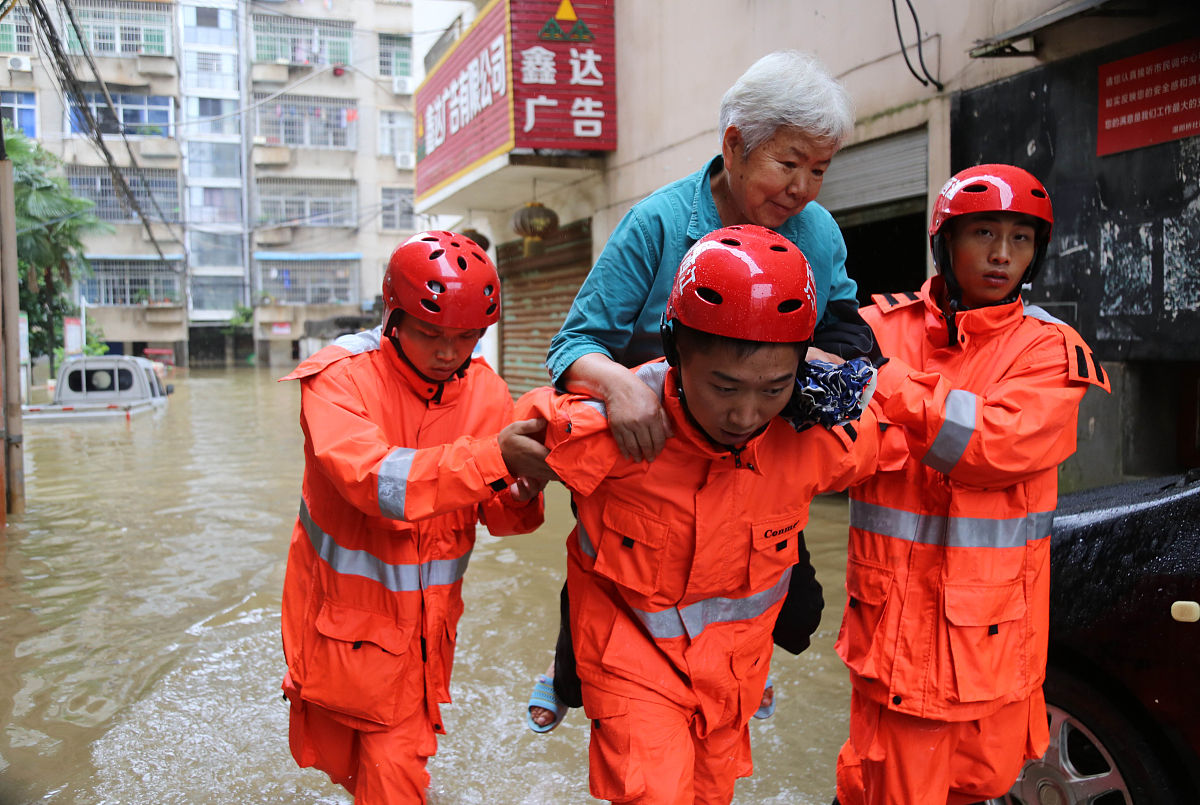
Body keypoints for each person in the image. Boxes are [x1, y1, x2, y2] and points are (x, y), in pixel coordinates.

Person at [528, 48, 874, 730]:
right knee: (610, 586)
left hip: (754, 449)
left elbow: (845, 324)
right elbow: (572, 345)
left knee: (792, 608)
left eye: (819, 170)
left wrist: (835, 376)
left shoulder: (819, 232)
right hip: (647, 450)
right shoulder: (656, 224)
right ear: (735, 145)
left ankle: (737, 668)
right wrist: (621, 389)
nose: (802, 187)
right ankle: (572, 671)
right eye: (788, 163)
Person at [516, 225, 881, 803]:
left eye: (773, 388)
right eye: (725, 386)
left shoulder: (820, 435)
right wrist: (515, 469)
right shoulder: (612, 429)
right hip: (628, 663)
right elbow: (517, 447)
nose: (745, 413)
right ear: (676, 354)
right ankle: (564, 682)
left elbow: (903, 440)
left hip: (731, 676)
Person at [833, 165, 1111, 805]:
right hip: (895, 638)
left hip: (993, 641)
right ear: (945, 240)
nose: (1001, 254)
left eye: (1020, 238)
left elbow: (992, 443)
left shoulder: (1048, 350)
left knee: (982, 785)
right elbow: (822, 446)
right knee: (886, 790)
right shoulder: (878, 330)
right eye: (983, 232)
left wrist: (886, 383)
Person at [278, 231, 548, 804]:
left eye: (467, 337)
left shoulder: (486, 391)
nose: (450, 352)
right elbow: (374, 482)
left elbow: (504, 518)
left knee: (393, 779)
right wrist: (497, 457)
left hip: (424, 642)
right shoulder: (338, 380)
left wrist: (528, 483)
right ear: (392, 316)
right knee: (360, 774)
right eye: (432, 334)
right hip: (341, 638)